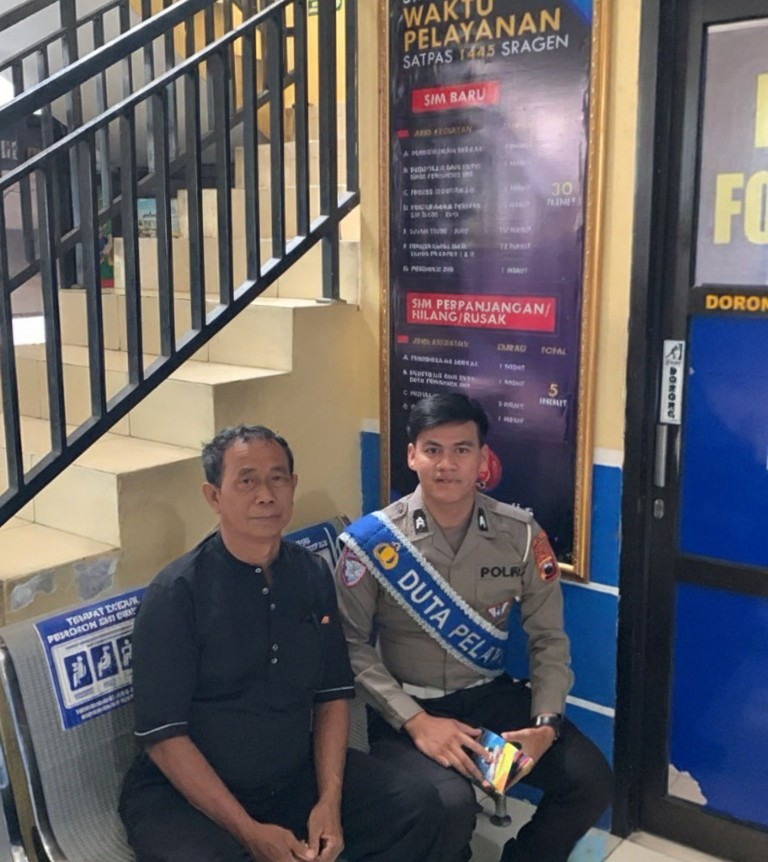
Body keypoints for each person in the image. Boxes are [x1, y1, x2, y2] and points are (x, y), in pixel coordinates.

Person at [119, 424, 444, 862]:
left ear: (293, 486)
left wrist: (328, 801)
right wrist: (249, 831)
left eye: (277, 478)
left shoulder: (311, 574)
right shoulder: (177, 594)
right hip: (185, 797)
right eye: (246, 481)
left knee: (415, 806)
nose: (266, 495)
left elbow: (332, 696)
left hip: (290, 778)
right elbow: (164, 738)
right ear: (214, 496)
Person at [335, 393, 613, 862]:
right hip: (405, 709)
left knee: (589, 780)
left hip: (489, 700)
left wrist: (545, 726)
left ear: (483, 459)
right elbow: (350, 645)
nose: (447, 464)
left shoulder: (520, 534)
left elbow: (548, 640)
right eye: (433, 449)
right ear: (412, 456)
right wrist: (416, 722)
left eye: (461, 449)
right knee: (449, 805)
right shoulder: (374, 542)